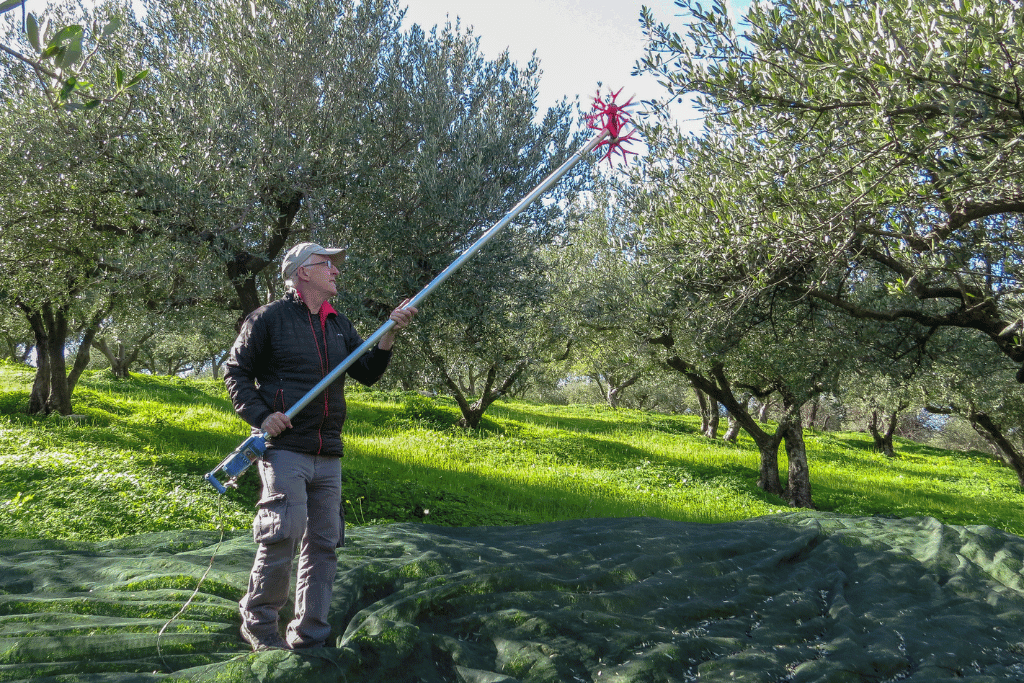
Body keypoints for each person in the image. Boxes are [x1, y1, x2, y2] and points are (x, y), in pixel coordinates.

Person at [223, 241, 417, 651]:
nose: (335, 270)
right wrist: (261, 416)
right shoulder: (269, 319)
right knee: (283, 534)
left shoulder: (338, 324)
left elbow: (366, 373)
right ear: (302, 272)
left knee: (324, 542)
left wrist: (387, 338)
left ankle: (310, 636)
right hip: (286, 448)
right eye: (326, 264)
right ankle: (258, 624)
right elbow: (235, 372)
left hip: (327, 451)